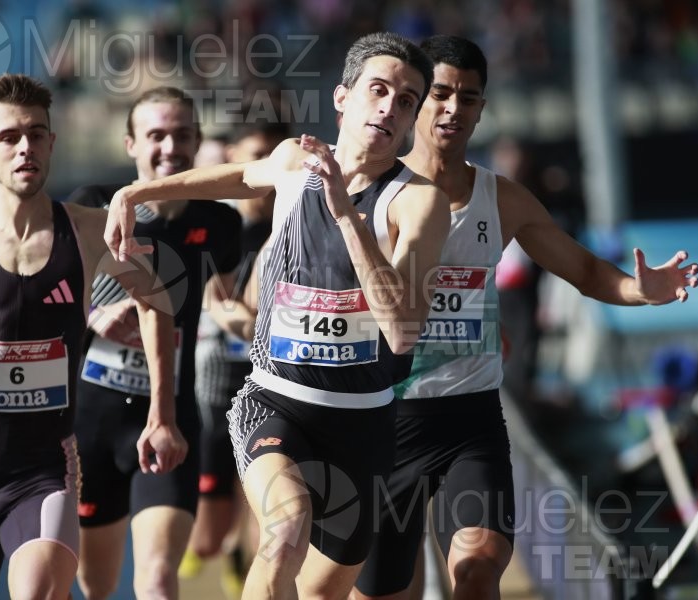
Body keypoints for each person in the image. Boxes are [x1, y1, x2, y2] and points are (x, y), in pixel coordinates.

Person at [104, 31, 453, 600]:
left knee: (321, 591)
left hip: (362, 422)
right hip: (276, 403)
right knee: (284, 534)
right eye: (379, 90)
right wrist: (139, 191)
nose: (391, 106)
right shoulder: (295, 161)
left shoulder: (418, 202)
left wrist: (347, 218)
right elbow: (242, 176)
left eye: (408, 99)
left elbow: (404, 327)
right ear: (344, 98)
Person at [351, 35, 698, 600]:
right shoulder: (366, 191)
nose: (452, 109)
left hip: (470, 420)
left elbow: (584, 270)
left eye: (468, 98)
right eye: (440, 93)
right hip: (384, 417)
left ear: (481, 109)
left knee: (480, 566)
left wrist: (642, 290)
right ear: (416, 102)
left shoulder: (504, 199)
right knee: (389, 590)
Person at [0, 73, 186, 600]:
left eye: (37, 134)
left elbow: (157, 298)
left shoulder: (88, 231)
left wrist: (162, 412)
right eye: (9, 137)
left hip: (45, 469)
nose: (25, 147)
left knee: (42, 589)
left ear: (52, 143)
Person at [70, 86, 242, 599]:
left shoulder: (220, 223)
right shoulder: (93, 203)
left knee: (158, 577)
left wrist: (247, 325)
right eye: (156, 135)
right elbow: (53, 301)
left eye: (182, 135)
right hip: (91, 425)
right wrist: (95, 316)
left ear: (197, 140)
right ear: (130, 144)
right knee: (95, 586)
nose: (170, 147)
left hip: (169, 417)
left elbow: (224, 300)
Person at [180, 121, 291, 597]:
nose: (267, 167)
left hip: (271, 375)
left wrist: (248, 318)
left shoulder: (290, 220)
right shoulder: (219, 220)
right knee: (206, 532)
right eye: (256, 155)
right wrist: (247, 319)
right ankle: (217, 543)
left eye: (273, 155)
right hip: (215, 377)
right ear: (236, 159)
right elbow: (214, 301)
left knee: (265, 497)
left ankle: (242, 556)